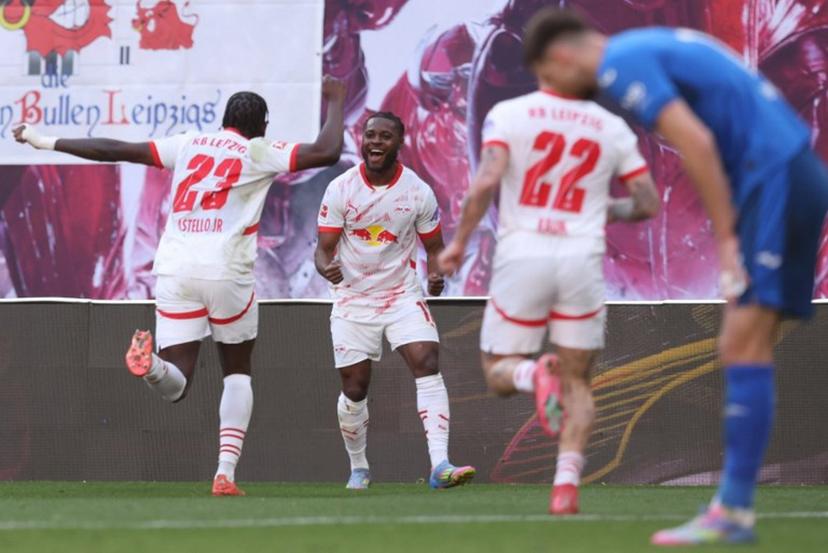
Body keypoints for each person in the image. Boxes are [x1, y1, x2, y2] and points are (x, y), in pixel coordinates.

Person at [515, 8, 828, 545]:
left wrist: (726, 240)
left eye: (550, 78)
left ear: (562, 55)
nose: (559, 93)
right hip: (795, 173)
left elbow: (696, 142)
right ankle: (734, 508)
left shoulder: (620, 62)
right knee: (751, 341)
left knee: (742, 343)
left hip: (772, 180)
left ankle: (733, 512)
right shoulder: (655, 44)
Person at [13, 76, 348, 496]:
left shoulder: (188, 144)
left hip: (175, 270)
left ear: (223, 119)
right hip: (227, 272)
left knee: (176, 384)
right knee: (237, 374)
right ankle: (225, 473)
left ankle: (151, 365)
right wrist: (336, 100)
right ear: (262, 126)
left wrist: (43, 141)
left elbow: (113, 149)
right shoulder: (259, 151)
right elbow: (327, 151)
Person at [438, 11, 659, 515]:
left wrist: (458, 244)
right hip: (580, 258)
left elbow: (486, 181)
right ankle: (565, 486)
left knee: (499, 371)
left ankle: (533, 376)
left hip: (525, 254)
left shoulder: (510, 114)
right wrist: (604, 209)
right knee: (579, 380)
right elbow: (646, 202)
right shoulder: (611, 126)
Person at [315, 111, 475, 490]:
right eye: (370, 135)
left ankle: (440, 465)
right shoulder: (341, 188)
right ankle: (359, 468)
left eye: (385, 136)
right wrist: (326, 268)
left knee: (427, 361)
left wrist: (435, 274)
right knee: (355, 388)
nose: (375, 142)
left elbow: (433, 248)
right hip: (353, 299)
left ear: (399, 143)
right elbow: (322, 250)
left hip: (401, 294)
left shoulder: (418, 191)